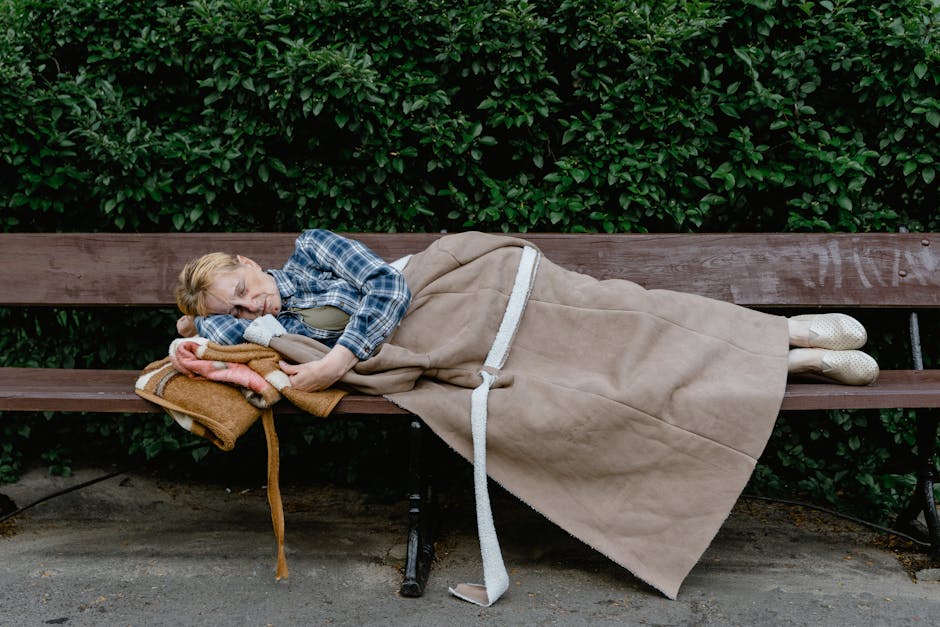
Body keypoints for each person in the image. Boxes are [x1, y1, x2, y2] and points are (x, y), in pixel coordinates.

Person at [175, 229, 879, 390]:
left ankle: (781, 331)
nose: (250, 304)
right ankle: (799, 359)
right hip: (455, 340)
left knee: (624, 313)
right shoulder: (255, 325)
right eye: (235, 306)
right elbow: (208, 329)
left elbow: (392, 290)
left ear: (252, 261)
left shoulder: (314, 249)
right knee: (612, 369)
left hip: (478, 287)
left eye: (244, 286)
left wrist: (337, 358)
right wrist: (195, 321)